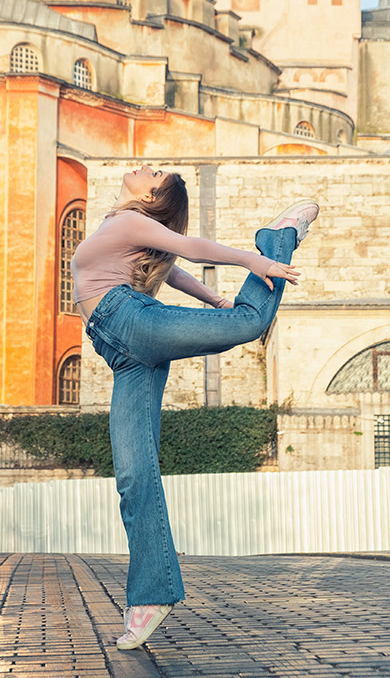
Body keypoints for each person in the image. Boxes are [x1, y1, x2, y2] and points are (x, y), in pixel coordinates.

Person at [71, 165, 319, 650]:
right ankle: (152, 595)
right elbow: (175, 269)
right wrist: (212, 299)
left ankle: (277, 240)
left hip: (129, 321)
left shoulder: (128, 222)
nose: (146, 167)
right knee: (133, 476)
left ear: (150, 195)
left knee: (249, 325)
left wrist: (256, 262)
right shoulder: (119, 224)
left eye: (155, 172)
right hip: (122, 352)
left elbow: (193, 248)